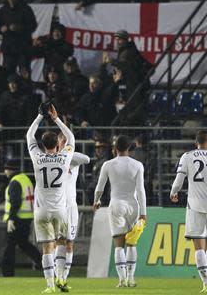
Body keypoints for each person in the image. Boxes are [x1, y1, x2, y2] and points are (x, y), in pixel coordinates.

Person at [170, 131, 207, 294]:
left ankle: (205, 283)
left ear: (196, 143)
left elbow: (179, 180)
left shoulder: (187, 156)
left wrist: (173, 192)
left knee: (198, 246)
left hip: (195, 205)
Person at [26, 103, 75, 293]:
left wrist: (40, 116)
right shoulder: (64, 158)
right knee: (62, 242)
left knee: (47, 247)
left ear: (42, 145)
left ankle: (50, 286)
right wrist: (56, 118)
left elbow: (30, 135)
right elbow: (70, 137)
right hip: (60, 210)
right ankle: (62, 278)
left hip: (42, 210)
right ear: (57, 145)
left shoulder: (37, 157)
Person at [93, 135, 147, 288]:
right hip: (133, 204)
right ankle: (131, 278)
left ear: (115, 148)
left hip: (116, 204)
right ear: (129, 148)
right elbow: (141, 190)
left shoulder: (108, 165)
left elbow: (100, 187)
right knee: (131, 244)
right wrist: (143, 212)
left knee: (118, 244)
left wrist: (96, 201)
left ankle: (122, 280)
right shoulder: (137, 165)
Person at [54, 133, 90, 291]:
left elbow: (87, 159)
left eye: (68, 141)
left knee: (70, 243)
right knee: (59, 241)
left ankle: (63, 279)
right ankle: (58, 276)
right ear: (57, 143)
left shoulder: (72, 160)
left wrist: (67, 152)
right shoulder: (52, 159)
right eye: (63, 141)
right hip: (58, 206)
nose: (65, 143)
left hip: (71, 206)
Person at [1, 159, 41, 277]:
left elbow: (16, 202)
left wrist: (11, 219)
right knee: (24, 244)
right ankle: (44, 264)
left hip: (17, 219)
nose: (5, 171)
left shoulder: (15, 182)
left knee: (10, 247)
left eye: (6, 169)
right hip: (27, 218)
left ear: (10, 170)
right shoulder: (25, 179)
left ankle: (7, 273)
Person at [0, 0, 37, 75]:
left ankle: (26, 89)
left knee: (24, 73)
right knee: (8, 75)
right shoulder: (3, 10)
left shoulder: (25, 9)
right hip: (8, 48)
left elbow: (33, 25)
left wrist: (19, 28)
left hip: (23, 48)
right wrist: (1, 29)